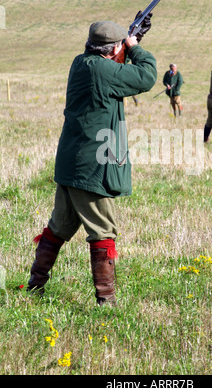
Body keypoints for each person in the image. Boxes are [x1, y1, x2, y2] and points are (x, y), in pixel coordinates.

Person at [27, 16, 156, 306]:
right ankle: (106, 301)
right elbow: (146, 77)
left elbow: (112, 69)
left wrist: (127, 45)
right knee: (103, 232)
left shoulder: (81, 63)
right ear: (112, 50)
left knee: (59, 227)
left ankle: (35, 286)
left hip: (72, 162)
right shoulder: (105, 71)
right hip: (93, 166)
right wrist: (135, 49)